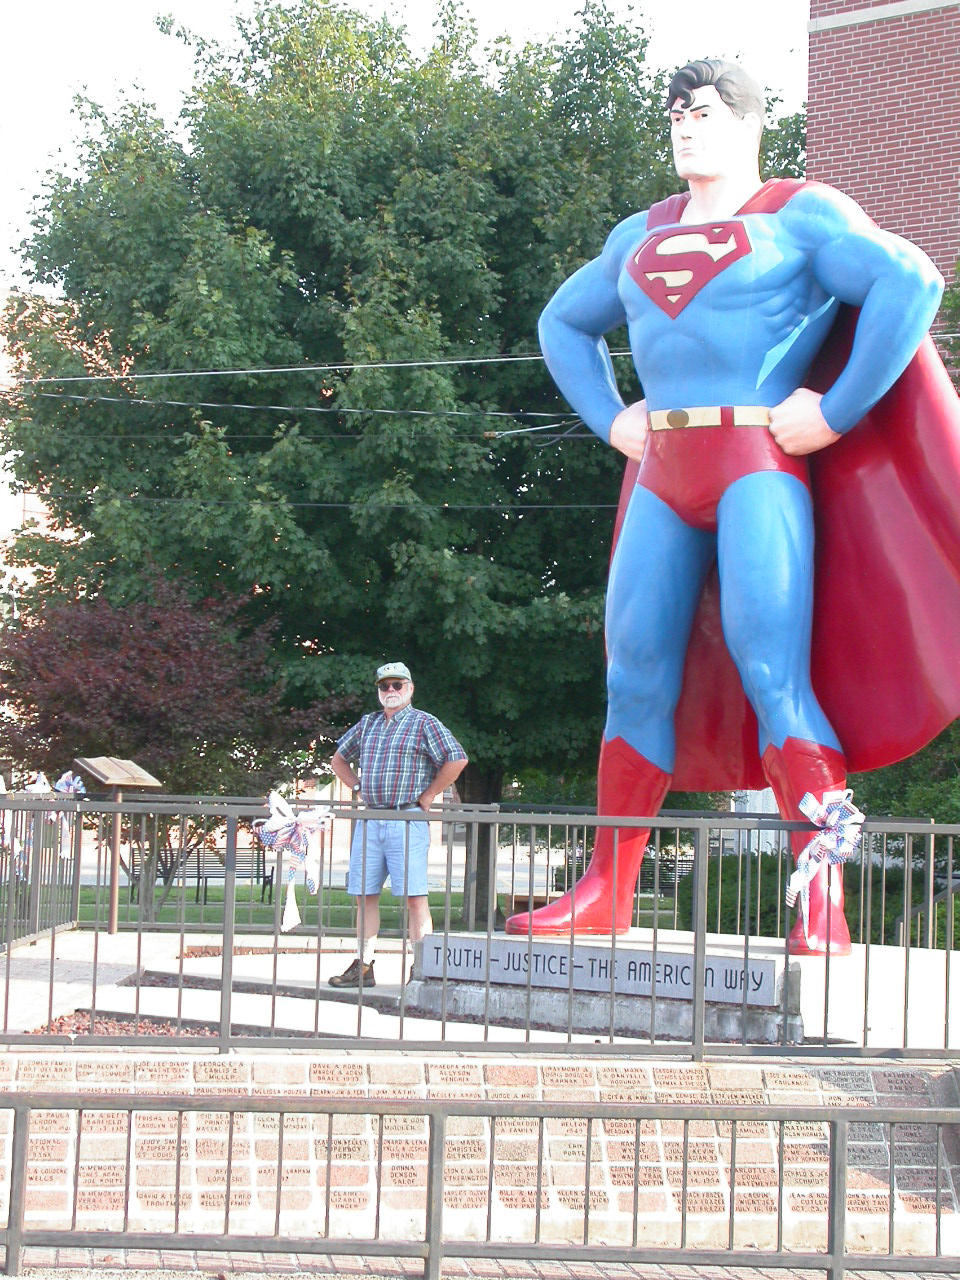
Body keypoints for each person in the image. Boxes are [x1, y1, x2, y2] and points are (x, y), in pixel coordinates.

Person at [506, 58, 960, 952]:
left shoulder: (799, 213)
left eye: (704, 112)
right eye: (676, 113)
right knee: (632, 676)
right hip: (664, 473)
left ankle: (819, 894)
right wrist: (609, 417)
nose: (685, 126)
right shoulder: (639, 233)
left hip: (757, 464)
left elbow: (911, 282)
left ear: (750, 122)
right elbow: (563, 321)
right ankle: (608, 888)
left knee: (774, 673)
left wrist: (837, 411)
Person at [328, 661, 468, 987]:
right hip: (370, 819)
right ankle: (363, 967)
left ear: (410, 688)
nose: (390, 691)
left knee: (415, 897)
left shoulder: (424, 723)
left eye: (397, 685)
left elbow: (457, 758)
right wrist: (358, 787)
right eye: (384, 686)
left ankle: (423, 970)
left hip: (407, 818)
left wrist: (430, 794)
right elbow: (338, 760)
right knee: (364, 895)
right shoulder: (368, 723)